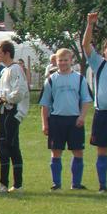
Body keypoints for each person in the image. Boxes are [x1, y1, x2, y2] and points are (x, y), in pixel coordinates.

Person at [39, 48, 92, 190]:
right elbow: (45, 104)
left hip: (75, 120)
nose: (63, 63)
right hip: (56, 120)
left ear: (71, 61)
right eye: (60, 60)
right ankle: (56, 184)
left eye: (65, 60)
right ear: (56, 61)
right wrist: (45, 123)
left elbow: (86, 100)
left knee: (78, 151)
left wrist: (82, 116)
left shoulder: (80, 79)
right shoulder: (51, 80)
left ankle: (76, 184)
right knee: (56, 151)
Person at [0, 40, 29, 192]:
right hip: (4, 113)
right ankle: (9, 184)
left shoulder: (15, 69)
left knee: (7, 147)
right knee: (7, 147)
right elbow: (0, 92)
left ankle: (12, 185)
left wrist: (4, 99)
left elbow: (19, 92)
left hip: (12, 112)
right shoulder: (5, 71)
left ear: (7, 53)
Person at [82, 11, 107, 192]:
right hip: (102, 115)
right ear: (104, 51)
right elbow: (85, 45)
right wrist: (90, 24)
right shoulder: (99, 63)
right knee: (102, 151)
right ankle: (103, 186)